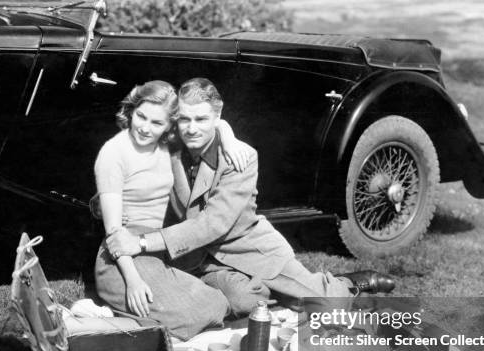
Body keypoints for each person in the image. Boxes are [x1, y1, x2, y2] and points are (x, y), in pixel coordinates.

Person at [106, 78, 394, 317]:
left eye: (202, 119)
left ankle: (346, 283)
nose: (191, 128)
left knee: (322, 302)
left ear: (217, 117)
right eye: (184, 119)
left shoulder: (240, 158)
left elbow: (212, 224)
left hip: (251, 250)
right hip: (202, 258)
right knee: (244, 303)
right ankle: (270, 293)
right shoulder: (171, 148)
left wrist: (141, 242)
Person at [93, 80, 249, 339]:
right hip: (121, 257)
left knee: (222, 303)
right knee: (197, 314)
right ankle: (115, 308)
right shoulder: (112, 153)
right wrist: (133, 281)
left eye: (156, 123)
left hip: (153, 248)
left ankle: (162, 300)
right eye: (140, 116)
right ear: (131, 111)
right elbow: (114, 233)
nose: (144, 128)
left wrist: (229, 138)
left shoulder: (166, 147)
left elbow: (208, 118)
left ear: (169, 126)